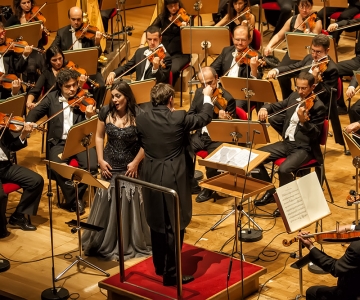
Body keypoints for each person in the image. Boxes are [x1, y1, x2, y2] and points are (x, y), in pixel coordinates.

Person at [136, 83, 213, 286]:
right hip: (173, 176)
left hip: (150, 174)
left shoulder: (142, 117)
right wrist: (206, 96)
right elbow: (204, 118)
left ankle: (159, 265)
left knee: (156, 222)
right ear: (170, 99)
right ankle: (171, 274)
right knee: (174, 225)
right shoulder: (177, 117)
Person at [82, 81, 151, 261]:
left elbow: (146, 143)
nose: (114, 100)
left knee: (129, 202)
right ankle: (105, 239)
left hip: (131, 168)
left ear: (127, 97)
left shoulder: (139, 115)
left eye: (118, 96)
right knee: (108, 200)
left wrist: (136, 162)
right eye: (112, 96)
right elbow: (98, 136)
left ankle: (127, 240)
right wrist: (100, 159)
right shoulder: (105, 112)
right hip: (109, 164)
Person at [252, 72, 326, 217]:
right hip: (287, 143)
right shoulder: (294, 97)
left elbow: (315, 135)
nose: (300, 91)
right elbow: (278, 105)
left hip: (305, 148)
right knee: (255, 158)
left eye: (304, 88)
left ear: (312, 87)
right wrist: (265, 108)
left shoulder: (318, 107)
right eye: (298, 87)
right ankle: (271, 191)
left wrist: (304, 122)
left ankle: (286, 202)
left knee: (284, 170)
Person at [26, 68, 98, 214]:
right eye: (68, 86)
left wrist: (89, 116)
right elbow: (34, 114)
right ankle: (75, 199)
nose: (72, 89)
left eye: (74, 85)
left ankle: (73, 195)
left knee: (92, 166)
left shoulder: (85, 98)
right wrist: (28, 123)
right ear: (60, 86)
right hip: (59, 142)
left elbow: (94, 125)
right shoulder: (51, 98)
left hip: (80, 141)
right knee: (56, 166)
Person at [266, 34, 345, 149]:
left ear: (327, 50)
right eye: (312, 50)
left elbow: (327, 94)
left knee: (294, 120)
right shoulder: (309, 58)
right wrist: (277, 70)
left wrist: (316, 82)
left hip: (316, 104)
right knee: (274, 118)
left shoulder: (331, 69)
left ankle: (302, 143)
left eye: (318, 52)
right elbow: (294, 67)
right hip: (300, 98)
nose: (314, 55)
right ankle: (291, 139)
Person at [188, 66, 236, 203]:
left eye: (210, 83)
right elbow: (191, 113)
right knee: (183, 149)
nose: (207, 87)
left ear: (216, 78)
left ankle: (209, 189)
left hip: (216, 137)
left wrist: (223, 119)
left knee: (211, 161)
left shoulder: (228, 98)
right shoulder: (199, 93)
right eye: (203, 84)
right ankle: (190, 182)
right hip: (200, 134)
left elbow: (231, 128)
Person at [264, 0, 322, 100]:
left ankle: (301, 98)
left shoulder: (316, 20)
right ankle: (288, 98)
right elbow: (279, 35)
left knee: (304, 78)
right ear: (297, 6)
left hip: (308, 57)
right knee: (281, 73)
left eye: (307, 7)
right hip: (293, 54)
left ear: (311, 6)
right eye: (302, 7)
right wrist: (269, 45)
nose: (304, 10)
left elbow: (316, 38)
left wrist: (310, 34)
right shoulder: (292, 19)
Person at [51, 6, 106, 108]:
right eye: (73, 19)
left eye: (79, 19)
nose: (76, 22)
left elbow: (97, 54)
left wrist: (97, 42)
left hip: (88, 70)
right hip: (69, 70)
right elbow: (52, 50)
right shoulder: (62, 33)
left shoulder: (89, 32)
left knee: (101, 86)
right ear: (69, 18)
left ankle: (96, 109)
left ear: (82, 18)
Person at [0, 119, 44, 238]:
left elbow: (12, 146)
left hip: (5, 166)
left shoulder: (2, 126)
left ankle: (18, 216)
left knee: (36, 181)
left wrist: (24, 134)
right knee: (0, 195)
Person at [298, 224, 360, 300]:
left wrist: (311, 247)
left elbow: (335, 268)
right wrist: (350, 227)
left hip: (353, 292)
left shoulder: (357, 247)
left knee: (311, 292)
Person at [210, 25, 263, 112]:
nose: (239, 43)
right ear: (232, 38)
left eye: (243, 40)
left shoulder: (256, 56)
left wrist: (253, 68)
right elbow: (212, 69)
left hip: (243, 94)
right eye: (237, 39)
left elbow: (257, 84)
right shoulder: (226, 51)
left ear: (249, 40)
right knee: (207, 102)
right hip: (224, 91)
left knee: (233, 107)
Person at [139, 0, 190, 86]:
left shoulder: (184, 17)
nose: (173, 8)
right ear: (166, 6)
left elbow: (191, 37)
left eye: (175, 5)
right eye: (170, 6)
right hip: (163, 53)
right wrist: (141, 45)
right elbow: (148, 31)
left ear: (179, 3)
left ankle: (168, 91)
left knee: (171, 70)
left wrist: (186, 29)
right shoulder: (162, 17)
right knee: (152, 66)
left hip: (180, 54)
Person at [26, 46, 88, 110]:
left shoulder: (69, 70)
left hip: (70, 102)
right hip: (53, 105)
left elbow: (76, 91)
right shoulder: (46, 73)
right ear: (49, 61)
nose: (58, 62)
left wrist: (80, 84)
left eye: (60, 58)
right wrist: (29, 102)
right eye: (54, 60)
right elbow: (35, 90)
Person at [106, 25, 171, 85]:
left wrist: (156, 68)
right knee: (113, 84)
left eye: (155, 39)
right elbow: (127, 67)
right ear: (146, 39)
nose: (152, 43)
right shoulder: (140, 52)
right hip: (137, 86)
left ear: (160, 39)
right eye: (149, 39)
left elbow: (162, 80)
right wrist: (113, 73)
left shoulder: (166, 58)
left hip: (154, 92)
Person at [5, 0, 45, 84]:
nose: (27, 5)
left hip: (36, 47)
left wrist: (40, 31)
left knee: (42, 62)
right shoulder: (14, 18)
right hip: (22, 51)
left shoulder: (36, 15)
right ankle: (30, 85)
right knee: (31, 64)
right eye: (24, 3)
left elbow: (43, 41)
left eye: (28, 2)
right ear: (19, 5)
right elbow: (6, 32)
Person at [328, 17, 360, 114]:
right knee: (333, 68)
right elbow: (349, 22)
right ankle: (339, 104)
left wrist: (352, 85)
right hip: (358, 59)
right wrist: (337, 24)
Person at [0, 21, 33, 95]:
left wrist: (24, 55)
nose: (2, 37)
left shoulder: (10, 50)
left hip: (10, 85)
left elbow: (19, 68)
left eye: (3, 33)